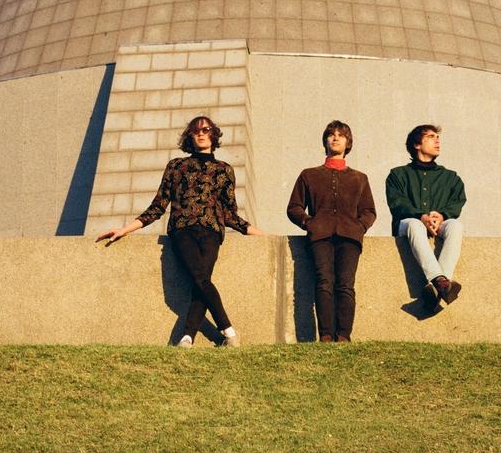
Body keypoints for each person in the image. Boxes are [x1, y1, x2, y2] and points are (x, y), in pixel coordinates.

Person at [96, 115, 264, 347]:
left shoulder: (224, 170)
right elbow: (158, 205)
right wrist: (126, 229)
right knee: (200, 278)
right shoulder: (176, 166)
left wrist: (259, 234)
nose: (201, 134)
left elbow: (229, 214)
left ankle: (187, 338)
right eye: (196, 131)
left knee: (201, 281)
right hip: (182, 230)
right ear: (190, 137)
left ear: (214, 134)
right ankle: (229, 332)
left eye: (206, 129)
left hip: (212, 232)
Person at [287, 120, 376, 343]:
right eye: (331, 134)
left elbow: (369, 211)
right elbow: (294, 207)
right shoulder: (309, 175)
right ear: (325, 141)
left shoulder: (359, 178)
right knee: (324, 281)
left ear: (348, 143)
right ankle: (326, 335)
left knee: (345, 284)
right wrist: (309, 223)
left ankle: (344, 335)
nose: (335, 138)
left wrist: (359, 227)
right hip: (320, 236)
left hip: (350, 237)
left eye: (341, 135)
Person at [385, 124, 466, 310]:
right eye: (430, 137)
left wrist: (442, 215)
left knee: (455, 226)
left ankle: (439, 284)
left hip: (439, 223)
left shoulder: (450, 177)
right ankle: (441, 281)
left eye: (437, 137)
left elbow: (458, 200)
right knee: (415, 224)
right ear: (417, 144)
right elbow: (397, 202)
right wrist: (421, 216)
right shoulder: (398, 174)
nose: (437, 141)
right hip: (407, 225)